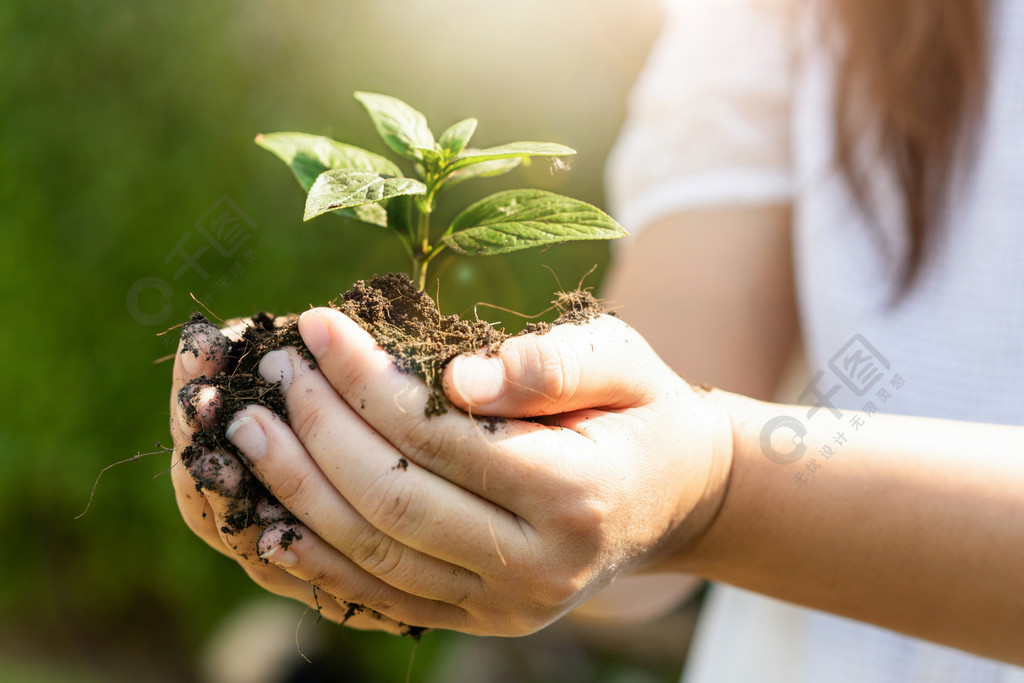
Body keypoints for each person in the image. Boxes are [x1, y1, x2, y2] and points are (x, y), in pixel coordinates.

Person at [170, 0, 1024, 679]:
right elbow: (632, 501)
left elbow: (685, 485)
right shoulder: (783, 18)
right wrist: (518, 506)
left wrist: (714, 492)